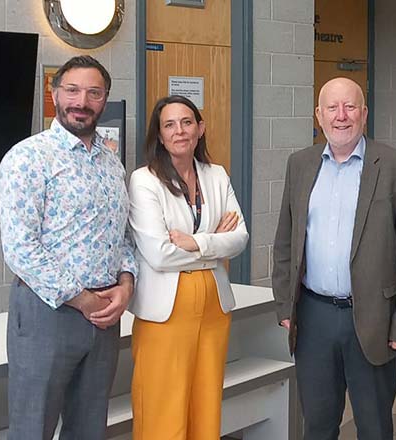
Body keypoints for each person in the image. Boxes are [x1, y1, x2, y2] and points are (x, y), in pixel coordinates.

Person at [272, 77, 396, 440]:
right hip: (313, 318)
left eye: (349, 107)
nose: (341, 116)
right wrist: (286, 307)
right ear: (318, 115)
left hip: (375, 321)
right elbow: (285, 241)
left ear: (363, 113)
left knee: (374, 427)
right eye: (332, 108)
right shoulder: (299, 165)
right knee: (317, 425)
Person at [0, 55, 137, 440]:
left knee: (89, 428)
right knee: (33, 429)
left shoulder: (112, 164)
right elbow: (20, 248)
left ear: (104, 99)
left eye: (94, 93)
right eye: (72, 90)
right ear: (54, 93)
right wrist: (80, 298)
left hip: (105, 316)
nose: (82, 101)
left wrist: (126, 285)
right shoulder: (27, 158)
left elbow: (121, 236)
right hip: (48, 313)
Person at [127, 95, 249, 440]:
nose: (179, 131)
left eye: (186, 122)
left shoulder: (216, 174)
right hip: (165, 311)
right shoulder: (144, 180)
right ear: (159, 135)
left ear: (200, 128)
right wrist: (214, 244)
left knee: (206, 405)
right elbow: (159, 254)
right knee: (163, 409)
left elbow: (240, 237)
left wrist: (197, 242)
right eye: (169, 124)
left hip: (214, 306)